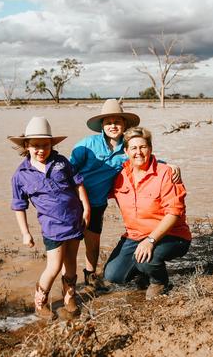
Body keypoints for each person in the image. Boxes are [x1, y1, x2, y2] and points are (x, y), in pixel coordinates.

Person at [70, 99, 181, 293]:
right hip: (75, 200)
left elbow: (143, 159)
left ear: (124, 125)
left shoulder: (127, 147)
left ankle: (90, 277)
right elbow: (69, 171)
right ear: (102, 126)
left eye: (117, 122)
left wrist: (169, 164)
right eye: (108, 122)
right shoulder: (87, 145)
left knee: (92, 244)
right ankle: (69, 284)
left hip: (97, 204)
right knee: (69, 244)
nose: (113, 125)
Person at [9, 116, 90, 319]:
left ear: (51, 144)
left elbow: (78, 183)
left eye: (45, 145)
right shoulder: (20, 175)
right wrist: (25, 233)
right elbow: (19, 206)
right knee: (53, 266)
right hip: (52, 227)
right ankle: (41, 301)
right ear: (26, 145)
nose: (41, 150)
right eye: (35, 145)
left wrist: (86, 208)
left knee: (71, 261)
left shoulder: (61, 162)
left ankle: (68, 296)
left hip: (74, 220)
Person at [103, 127, 191, 300]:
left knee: (146, 260)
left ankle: (160, 281)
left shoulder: (166, 173)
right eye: (133, 148)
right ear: (126, 151)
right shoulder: (119, 175)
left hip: (171, 235)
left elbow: (173, 213)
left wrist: (150, 240)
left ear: (150, 148)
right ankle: (143, 272)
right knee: (113, 275)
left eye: (143, 147)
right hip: (134, 236)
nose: (138, 152)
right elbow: (93, 184)